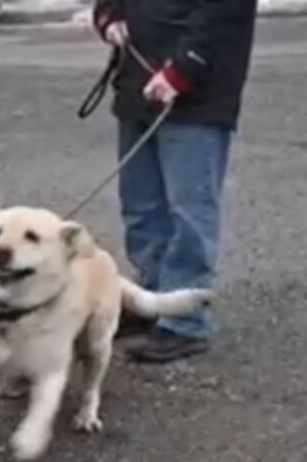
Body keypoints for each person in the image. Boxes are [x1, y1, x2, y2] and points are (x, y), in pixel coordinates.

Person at [90, 0, 258, 363]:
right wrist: (109, 17)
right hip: (137, 81)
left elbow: (225, 13)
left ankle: (185, 318)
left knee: (190, 210)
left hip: (198, 94)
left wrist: (183, 68)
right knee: (141, 205)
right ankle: (153, 298)